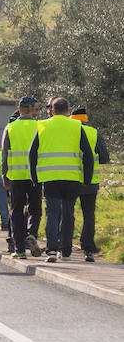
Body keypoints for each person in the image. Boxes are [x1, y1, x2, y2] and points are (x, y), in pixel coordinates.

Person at [30, 96, 93, 262]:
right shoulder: (76, 125)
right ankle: (66, 251)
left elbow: (32, 153)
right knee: (68, 213)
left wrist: (34, 177)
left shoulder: (42, 125)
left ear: (52, 110)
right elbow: (87, 154)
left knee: (52, 213)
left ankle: (51, 249)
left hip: (50, 177)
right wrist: (87, 178)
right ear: (68, 110)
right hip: (71, 177)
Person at [1, 95, 44, 260]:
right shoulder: (40, 127)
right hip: (36, 175)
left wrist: (5, 176)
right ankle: (32, 234)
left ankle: (19, 249)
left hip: (16, 176)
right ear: (34, 110)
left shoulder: (10, 128)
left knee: (17, 212)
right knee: (35, 209)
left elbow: (5, 155)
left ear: (19, 110)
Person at [71, 108, 109, 262]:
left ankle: (63, 244)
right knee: (88, 214)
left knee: (67, 213)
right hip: (90, 181)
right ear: (86, 119)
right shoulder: (93, 133)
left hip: (70, 178)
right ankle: (87, 248)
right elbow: (104, 157)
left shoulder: (68, 133)